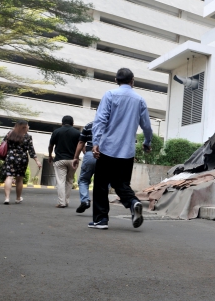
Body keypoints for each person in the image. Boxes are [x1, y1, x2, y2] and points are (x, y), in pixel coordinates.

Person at [89, 68, 152, 230]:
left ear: (116, 81)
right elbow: (146, 126)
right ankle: (133, 202)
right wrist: (147, 142)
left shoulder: (110, 95)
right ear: (133, 81)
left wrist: (95, 142)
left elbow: (100, 120)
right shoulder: (140, 100)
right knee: (121, 183)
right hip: (127, 151)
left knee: (101, 184)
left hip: (107, 148)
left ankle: (101, 220)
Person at [2, 120, 42, 204]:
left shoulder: (10, 133)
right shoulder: (27, 137)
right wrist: (37, 161)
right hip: (22, 158)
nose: (28, 127)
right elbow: (31, 150)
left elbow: (3, 144)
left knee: (9, 177)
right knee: (19, 179)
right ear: (24, 127)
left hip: (10, 156)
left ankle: (7, 198)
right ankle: (18, 198)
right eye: (28, 126)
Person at [48, 115, 80, 208]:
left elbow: (51, 145)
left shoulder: (56, 131)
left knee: (61, 181)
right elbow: (81, 146)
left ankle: (62, 202)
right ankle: (66, 201)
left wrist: (50, 155)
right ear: (72, 123)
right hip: (73, 160)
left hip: (60, 159)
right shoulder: (77, 133)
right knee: (69, 181)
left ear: (62, 123)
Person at [72, 121, 95, 213]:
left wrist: (76, 157)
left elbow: (81, 142)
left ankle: (85, 200)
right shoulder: (114, 124)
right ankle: (99, 208)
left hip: (91, 154)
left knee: (84, 180)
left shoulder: (89, 125)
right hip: (107, 157)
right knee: (103, 183)